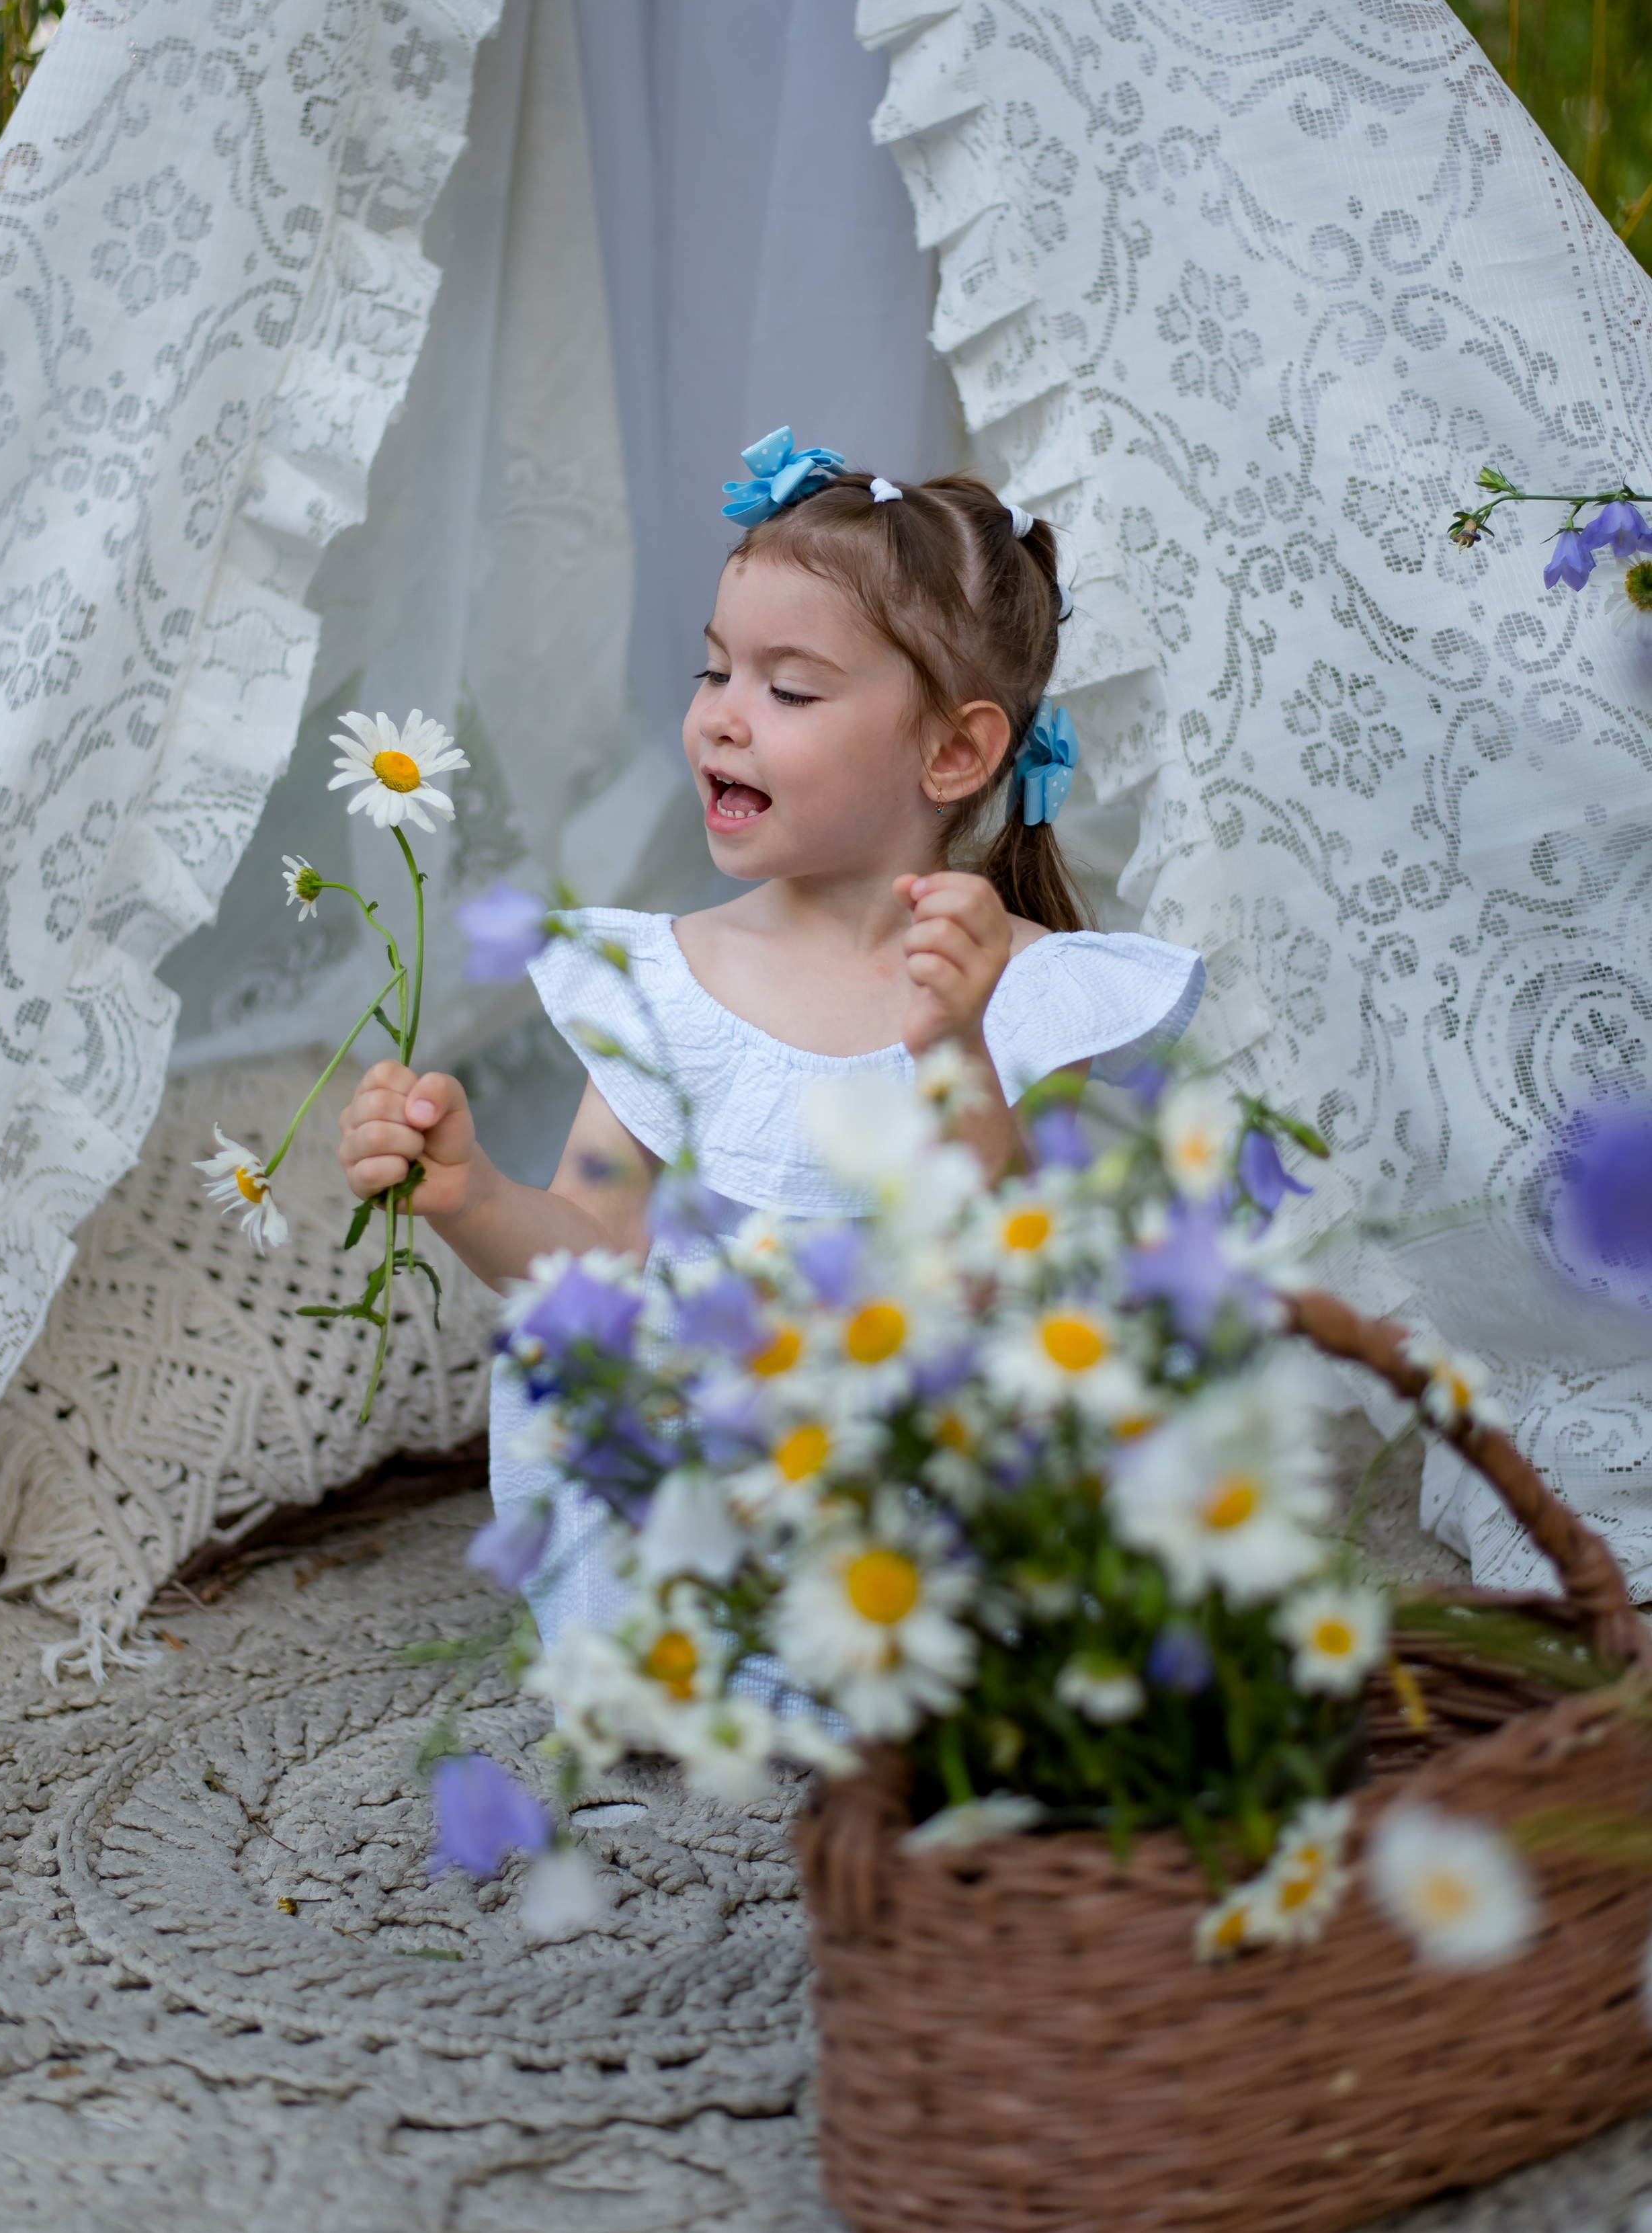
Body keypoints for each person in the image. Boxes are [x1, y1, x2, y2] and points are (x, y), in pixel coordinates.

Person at [336, 436, 1204, 1630]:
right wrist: (468, 1191)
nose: (724, 722)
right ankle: (695, 1649)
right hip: (719, 1504)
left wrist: (952, 1045)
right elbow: (594, 1261)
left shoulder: (1028, 988)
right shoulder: (662, 984)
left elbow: (1012, 1272)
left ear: (954, 750)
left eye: (788, 690)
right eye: (713, 674)